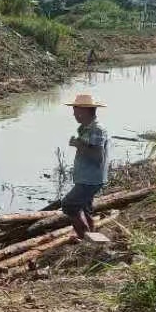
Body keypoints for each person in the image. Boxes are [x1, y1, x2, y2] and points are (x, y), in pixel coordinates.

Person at [62, 94, 109, 239]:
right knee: (85, 208)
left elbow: (97, 156)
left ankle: (85, 238)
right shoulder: (85, 128)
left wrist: (78, 144)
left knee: (68, 205)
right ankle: (93, 236)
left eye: (75, 110)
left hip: (90, 179)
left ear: (85, 111)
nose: (74, 114)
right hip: (85, 177)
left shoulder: (96, 129)